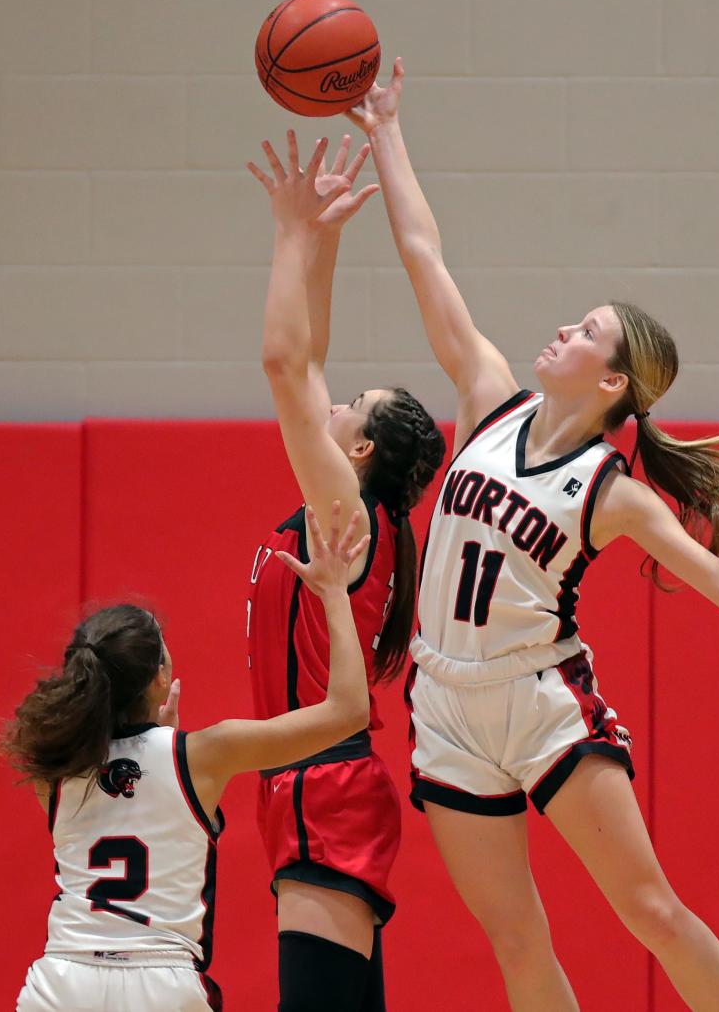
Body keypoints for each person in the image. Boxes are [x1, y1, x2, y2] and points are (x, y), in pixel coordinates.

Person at [346, 60, 719, 1012]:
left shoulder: (611, 492)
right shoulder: (488, 398)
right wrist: (387, 131)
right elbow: (423, 254)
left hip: (541, 703)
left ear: (611, 382)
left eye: (585, 332)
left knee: (651, 911)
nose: (562, 330)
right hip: (443, 704)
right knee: (517, 942)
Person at [2, 504, 371, 1012]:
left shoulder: (56, 769)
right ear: (159, 677)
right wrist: (334, 593)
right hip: (161, 984)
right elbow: (349, 711)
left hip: (63, 980)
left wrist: (159, 745)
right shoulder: (204, 754)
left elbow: (124, 793)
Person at [245, 132, 446, 1012]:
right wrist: (322, 236)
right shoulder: (368, 521)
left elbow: (288, 365)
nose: (331, 400)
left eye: (350, 404)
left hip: (321, 784)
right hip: (323, 780)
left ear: (359, 449)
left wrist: (290, 234)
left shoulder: (347, 514)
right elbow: (311, 361)